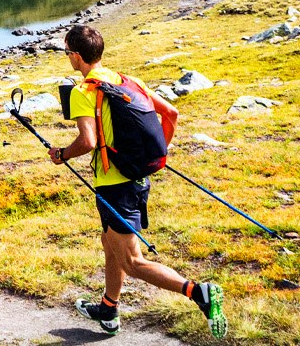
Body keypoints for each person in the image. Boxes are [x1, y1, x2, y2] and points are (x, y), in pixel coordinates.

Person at [53, 23, 226, 337]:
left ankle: (199, 293)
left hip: (114, 186)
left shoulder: (83, 92)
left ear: (77, 57)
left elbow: (88, 141)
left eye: (67, 53)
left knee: (132, 261)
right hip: (137, 179)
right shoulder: (129, 81)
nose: (68, 58)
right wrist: (158, 155)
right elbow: (171, 114)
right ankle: (108, 308)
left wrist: (62, 154)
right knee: (110, 244)